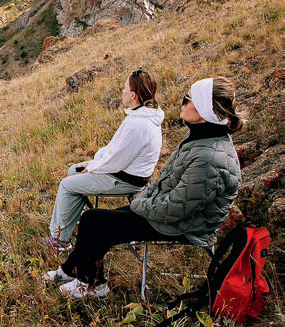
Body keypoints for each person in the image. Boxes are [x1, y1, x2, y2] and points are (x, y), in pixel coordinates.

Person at [45, 77, 243, 298]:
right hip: (169, 212)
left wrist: (140, 206)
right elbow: (164, 179)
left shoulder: (209, 157)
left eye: (188, 99)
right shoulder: (200, 138)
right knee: (96, 220)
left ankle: (91, 284)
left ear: (204, 112)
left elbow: (177, 208)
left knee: (95, 221)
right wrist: (144, 201)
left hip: (187, 225)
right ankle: (72, 270)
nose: (182, 102)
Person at [42, 70, 164, 251]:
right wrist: (93, 163)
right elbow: (116, 151)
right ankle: (67, 224)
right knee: (74, 170)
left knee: (67, 184)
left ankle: (59, 239)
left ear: (133, 95)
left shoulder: (138, 124)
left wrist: (92, 166)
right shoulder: (144, 115)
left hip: (124, 179)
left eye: (125, 87)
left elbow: (117, 160)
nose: (122, 90)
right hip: (126, 173)